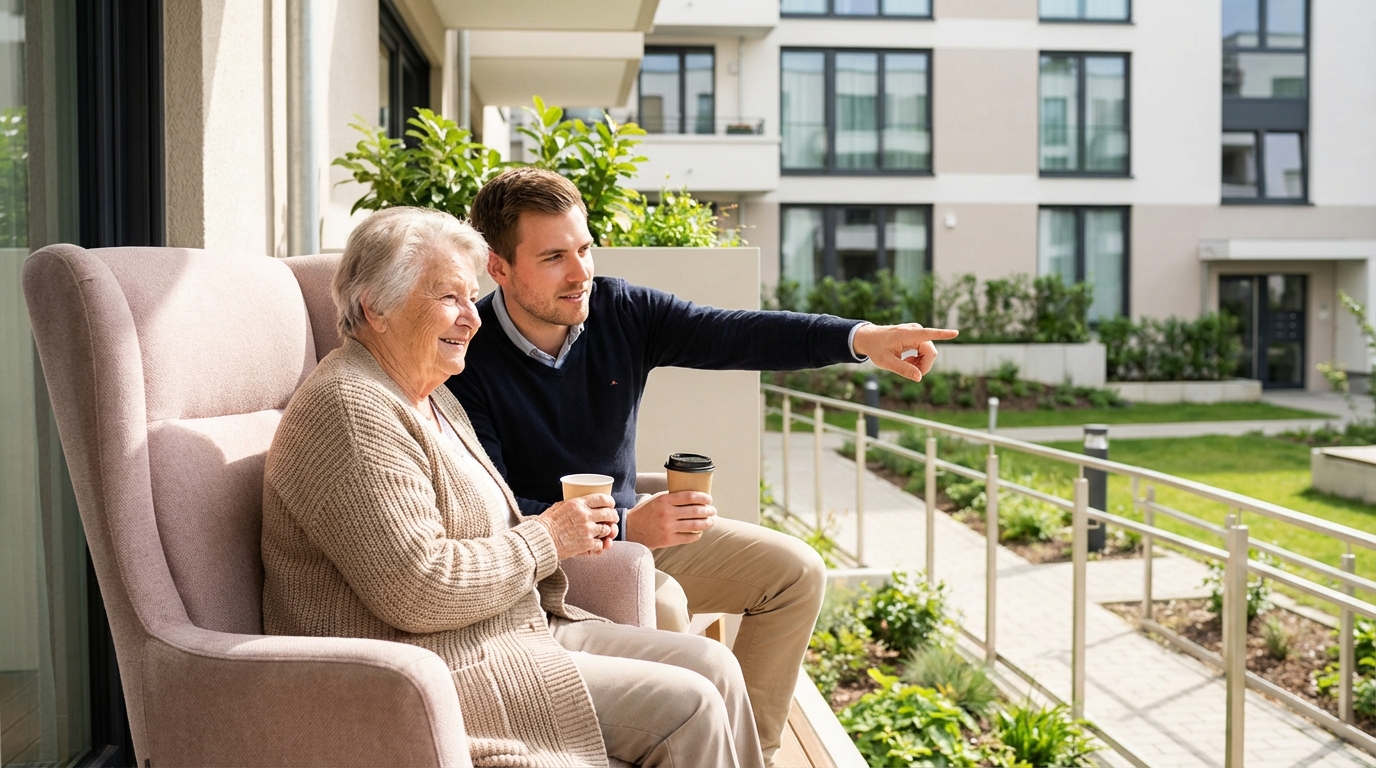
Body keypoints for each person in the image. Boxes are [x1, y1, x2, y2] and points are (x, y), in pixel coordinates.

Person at [446, 167, 959, 765]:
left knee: (795, 572)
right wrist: (629, 526)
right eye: (555, 256)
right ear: (499, 266)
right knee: (663, 607)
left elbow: (737, 334)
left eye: (585, 248)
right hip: (546, 563)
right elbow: (487, 508)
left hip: (632, 531)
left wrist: (860, 338)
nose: (581, 272)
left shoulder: (619, 311)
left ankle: (753, 753)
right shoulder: (469, 360)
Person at [261, 206, 765, 768]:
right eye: (447, 298)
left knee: (715, 666)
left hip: (513, 628)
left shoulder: (432, 396)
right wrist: (547, 536)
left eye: (468, 296)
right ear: (375, 309)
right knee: (690, 706)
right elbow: (419, 588)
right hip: (435, 667)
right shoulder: (351, 409)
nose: (472, 318)